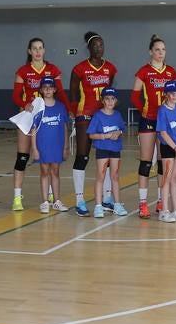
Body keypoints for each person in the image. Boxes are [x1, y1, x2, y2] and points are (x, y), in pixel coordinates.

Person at [68, 31, 118, 215]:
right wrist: (74, 115)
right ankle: (79, 200)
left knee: (104, 158)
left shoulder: (110, 68)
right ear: (89, 48)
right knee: (83, 157)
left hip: (104, 116)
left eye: (101, 44)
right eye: (95, 45)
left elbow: (110, 91)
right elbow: (73, 94)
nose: (99, 48)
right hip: (85, 115)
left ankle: (106, 198)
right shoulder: (79, 68)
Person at [11, 38, 63, 211]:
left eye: (40, 48)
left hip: (49, 119)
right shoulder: (23, 71)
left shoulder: (53, 69)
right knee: (23, 156)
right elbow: (16, 96)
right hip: (28, 117)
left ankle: (49, 195)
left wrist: (69, 110)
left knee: (48, 157)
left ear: (44, 50)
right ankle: (17, 197)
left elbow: (61, 93)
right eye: (34, 48)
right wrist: (25, 103)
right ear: (29, 51)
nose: (38, 51)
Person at [134, 34, 176, 217]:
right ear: (150, 52)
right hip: (149, 120)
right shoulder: (144, 71)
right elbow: (134, 95)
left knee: (163, 163)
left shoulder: (171, 72)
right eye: (157, 50)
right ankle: (143, 203)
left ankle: (161, 201)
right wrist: (143, 110)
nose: (160, 53)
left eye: (163, 50)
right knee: (146, 162)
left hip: (166, 122)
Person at [29, 77, 69, 214]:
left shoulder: (60, 107)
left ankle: (57, 201)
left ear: (54, 89)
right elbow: (33, 128)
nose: (47, 90)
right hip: (42, 145)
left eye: (50, 87)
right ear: (41, 90)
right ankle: (45, 202)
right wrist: (34, 148)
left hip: (57, 145)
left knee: (55, 172)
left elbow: (64, 127)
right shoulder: (38, 107)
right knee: (44, 171)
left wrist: (65, 147)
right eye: (44, 87)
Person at [86, 88, 127, 219]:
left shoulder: (117, 115)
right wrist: (106, 136)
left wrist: (118, 133)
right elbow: (91, 135)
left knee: (115, 176)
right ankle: (98, 206)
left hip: (115, 149)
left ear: (116, 101)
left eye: (113, 99)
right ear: (103, 100)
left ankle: (117, 204)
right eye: (107, 99)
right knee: (101, 176)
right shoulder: (98, 115)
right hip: (103, 149)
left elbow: (122, 128)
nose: (110, 101)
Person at [155, 80, 176, 223]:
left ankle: (175, 210)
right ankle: (164, 211)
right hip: (169, 147)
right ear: (166, 95)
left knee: (175, 179)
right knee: (167, 179)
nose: (174, 95)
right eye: (171, 93)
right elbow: (163, 132)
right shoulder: (162, 110)